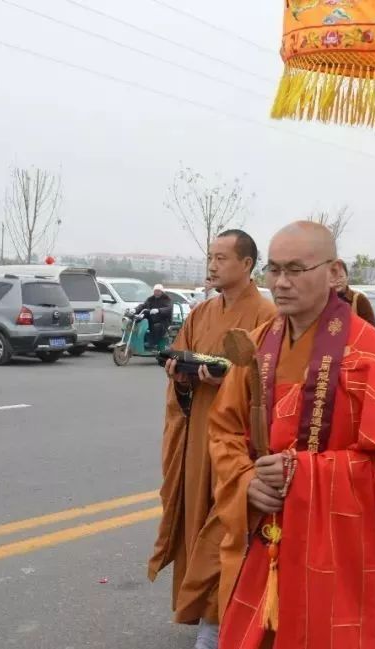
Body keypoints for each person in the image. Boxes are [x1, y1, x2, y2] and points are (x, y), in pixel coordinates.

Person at [208, 221, 375, 649]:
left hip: (339, 552)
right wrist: (248, 481)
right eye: (274, 270)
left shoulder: (368, 354)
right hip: (268, 536)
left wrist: (303, 473)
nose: (282, 283)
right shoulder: (256, 347)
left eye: (296, 269)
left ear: (333, 271)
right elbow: (224, 431)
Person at [148, 230, 276, 649]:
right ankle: (208, 613)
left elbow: (269, 382)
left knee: (229, 526)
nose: (213, 264)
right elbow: (181, 358)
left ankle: (225, 620)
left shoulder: (265, 314)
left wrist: (230, 378)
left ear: (246, 264)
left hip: (237, 442)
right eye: (211, 256)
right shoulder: (201, 312)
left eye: (222, 258)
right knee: (196, 522)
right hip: (198, 436)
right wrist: (182, 376)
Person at [333, 259, 375, 326]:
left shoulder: (359, 300)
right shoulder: (323, 302)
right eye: (334, 277)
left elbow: (372, 330)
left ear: (347, 277)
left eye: (340, 277)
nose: (337, 281)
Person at [135, 284, 175, 348]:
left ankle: (152, 343)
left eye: (158, 291)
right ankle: (136, 342)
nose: (156, 293)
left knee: (157, 326)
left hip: (163, 321)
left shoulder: (167, 300)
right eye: (155, 291)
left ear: (162, 292)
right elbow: (143, 306)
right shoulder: (151, 299)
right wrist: (135, 310)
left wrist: (159, 310)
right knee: (138, 320)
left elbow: (168, 309)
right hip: (152, 319)